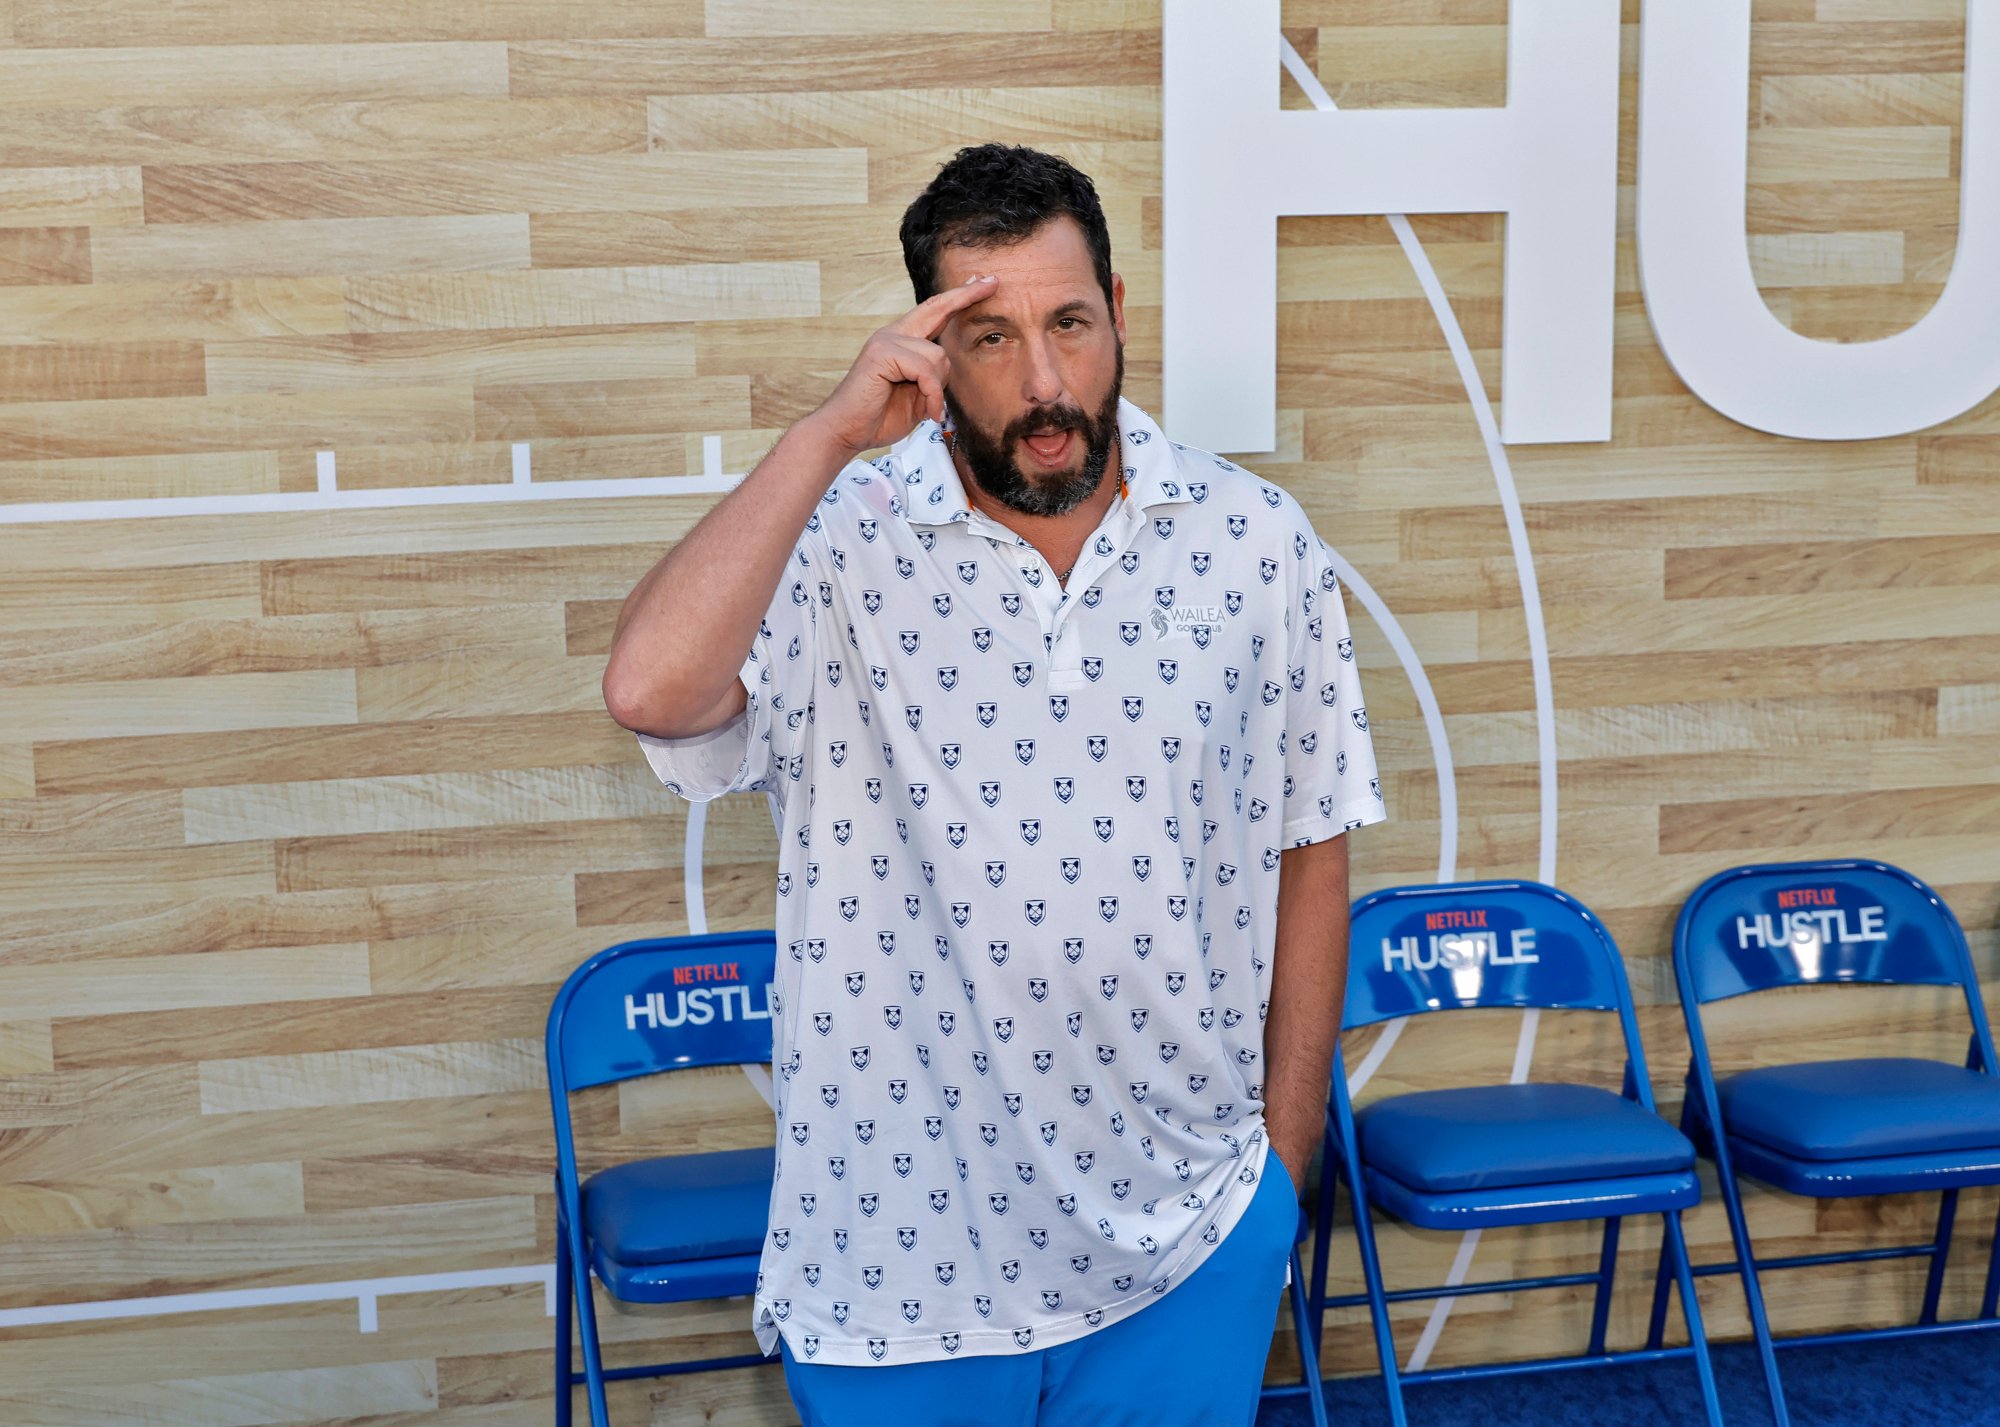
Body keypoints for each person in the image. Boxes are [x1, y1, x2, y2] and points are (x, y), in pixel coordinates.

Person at [603, 143, 1385, 1426]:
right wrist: (825, 436)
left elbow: (1312, 844)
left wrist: (1279, 1172)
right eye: (986, 336)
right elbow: (650, 689)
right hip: (894, 1252)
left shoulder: (1254, 542)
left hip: (1189, 1232)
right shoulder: (835, 542)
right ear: (925, 349)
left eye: (1068, 323)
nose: (1042, 383)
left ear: (1117, 313)